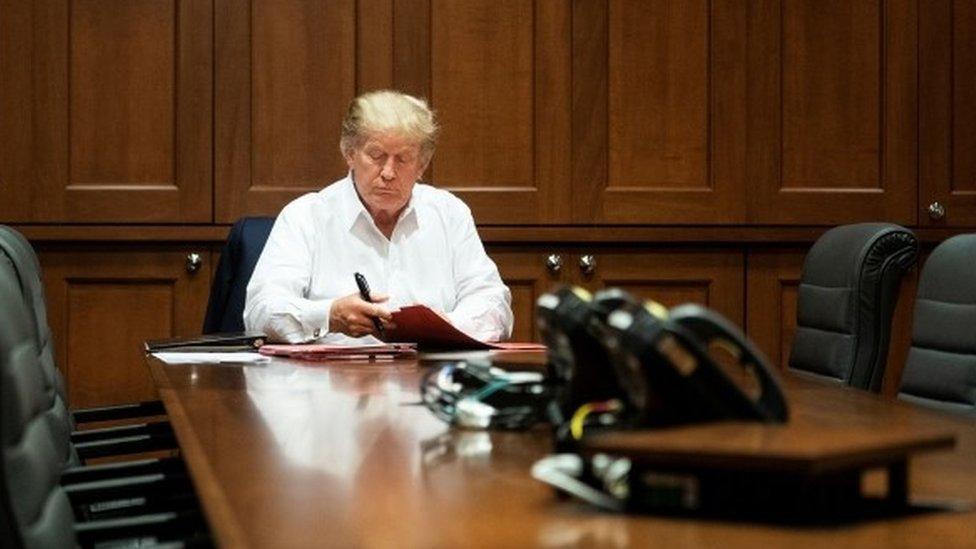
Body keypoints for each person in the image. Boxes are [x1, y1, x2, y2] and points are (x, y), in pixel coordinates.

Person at [244, 90, 513, 344]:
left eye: (403, 159)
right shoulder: (306, 216)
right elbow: (260, 312)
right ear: (349, 153)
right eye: (376, 155)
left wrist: (447, 325)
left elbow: (494, 304)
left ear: (422, 165)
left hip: (426, 378)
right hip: (331, 384)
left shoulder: (449, 214)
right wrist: (330, 315)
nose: (388, 172)